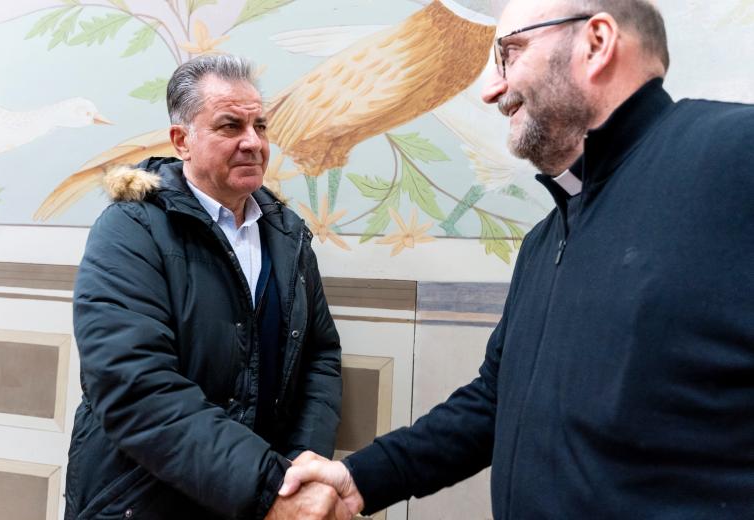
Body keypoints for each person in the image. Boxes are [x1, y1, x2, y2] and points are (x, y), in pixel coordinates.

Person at [279, 0, 754, 518]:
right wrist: (360, 478)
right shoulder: (545, 239)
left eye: (509, 53)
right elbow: (493, 400)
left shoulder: (735, 155)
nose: (490, 89)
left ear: (596, 43)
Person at [65, 54, 347, 519]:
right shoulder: (131, 229)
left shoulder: (287, 233)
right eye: (230, 126)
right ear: (182, 141)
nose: (253, 142)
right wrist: (268, 489)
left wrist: (300, 467)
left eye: (260, 125)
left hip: (253, 497)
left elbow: (318, 354)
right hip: (142, 501)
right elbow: (134, 385)